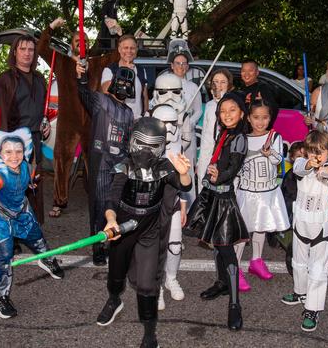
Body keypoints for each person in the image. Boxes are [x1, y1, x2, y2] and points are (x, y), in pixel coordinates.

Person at [96, 117, 192, 348]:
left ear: (161, 146)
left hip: (150, 228)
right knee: (116, 272)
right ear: (132, 141)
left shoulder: (165, 168)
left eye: (153, 145)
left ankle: (150, 333)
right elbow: (112, 196)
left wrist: (184, 173)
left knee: (149, 284)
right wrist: (111, 220)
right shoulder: (124, 167)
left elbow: (184, 186)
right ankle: (114, 299)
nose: (146, 151)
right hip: (123, 226)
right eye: (142, 144)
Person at [0, 128, 64, 319]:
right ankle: (0, 298)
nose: (14, 156)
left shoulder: (25, 166)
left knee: (37, 237)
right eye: (8, 152)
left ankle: (46, 259)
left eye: (18, 151)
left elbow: (29, 175)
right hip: (2, 217)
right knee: (6, 255)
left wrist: (32, 182)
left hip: (22, 210)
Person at [38, 18, 120, 218]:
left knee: (95, 163)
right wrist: (52, 27)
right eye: (76, 39)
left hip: (92, 121)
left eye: (84, 39)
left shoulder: (96, 63)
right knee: (61, 161)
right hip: (68, 121)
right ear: (71, 43)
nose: (80, 42)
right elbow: (41, 48)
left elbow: (119, 54)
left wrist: (116, 31)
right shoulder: (61, 62)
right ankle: (59, 201)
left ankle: (98, 201)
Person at [184, 92, 249, 331]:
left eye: (232, 110)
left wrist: (217, 175)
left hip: (223, 199)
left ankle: (235, 305)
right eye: (223, 111)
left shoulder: (239, 137)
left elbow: (233, 167)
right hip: (211, 194)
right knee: (214, 242)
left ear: (242, 113)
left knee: (226, 249)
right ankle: (222, 283)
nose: (227, 114)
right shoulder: (225, 133)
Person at [281, 130, 328, 332]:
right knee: (298, 262)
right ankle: (300, 292)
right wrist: (309, 164)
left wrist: (324, 170)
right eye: (311, 151)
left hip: (319, 231)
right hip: (300, 225)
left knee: (318, 270)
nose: (316, 155)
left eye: (320, 152)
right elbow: (300, 169)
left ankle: (312, 308)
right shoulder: (301, 163)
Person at [77, 60, 135, 265]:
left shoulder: (129, 113)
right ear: (114, 82)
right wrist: (82, 76)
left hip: (120, 163)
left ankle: (115, 243)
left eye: (128, 85)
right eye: (121, 82)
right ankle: (99, 248)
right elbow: (83, 93)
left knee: (117, 204)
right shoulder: (101, 101)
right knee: (99, 205)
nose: (124, 87)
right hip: (101, 161)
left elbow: (129, 140)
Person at [0, 35, 51, 226]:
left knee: (34, 182)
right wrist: (6, 147)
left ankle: (33, 227)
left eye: (31, 50)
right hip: (13, 141)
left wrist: (46, 123)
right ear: (15, 52)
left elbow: (42, 109)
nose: (27, 53)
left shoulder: (40, 79)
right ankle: (12, 233)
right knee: (13, 188)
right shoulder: (6, 79)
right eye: (23, 49)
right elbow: (0, 114)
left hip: (35, 140)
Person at [234, 98, 290, 291]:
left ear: (270, 118)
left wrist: (269, 154)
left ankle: (256, 260)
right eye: (256, 117)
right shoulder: (242, 138)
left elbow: (278, 160)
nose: (260, 122)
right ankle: (236, 267)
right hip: (247, 192)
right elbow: (237, 166)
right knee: (243, 231)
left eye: (264, 117)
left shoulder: (274, 137)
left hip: (267, 191)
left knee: (261, 227)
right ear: (249, 118)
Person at [148, 74, 192, 307]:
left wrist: (184, 201)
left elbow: (184, 173)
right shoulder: (144, 130)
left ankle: (171, 279)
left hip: (173, 199)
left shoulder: (179, 131)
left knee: (175, 243)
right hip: (152, 201)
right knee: (154, 244)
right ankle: (156, 286)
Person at [197, 69, 233, 191]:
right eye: (215, 82)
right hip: (206, 156)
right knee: (203, 190)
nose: (219, 85)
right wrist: (199, 161)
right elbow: (205, 134)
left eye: (223, 82)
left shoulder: (233, 105)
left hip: (223, 155)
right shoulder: (209, 105)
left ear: (229, 85)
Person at [101, 35, 148, 119]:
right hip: (117, 121)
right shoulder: (110, 70)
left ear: (136, 50)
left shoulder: (141, 70)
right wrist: (125, 73)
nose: (129, 51)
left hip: (137, 122)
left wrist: (146, 115)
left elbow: (144, 96)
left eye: (132, 48)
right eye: (125, 48)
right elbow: (106, 93)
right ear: (119, 49)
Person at [168, 52, 202, 164]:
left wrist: (189, 122)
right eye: (178, 63)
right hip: (169, 132)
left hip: (187, 133)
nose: (181, 66)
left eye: (184, 63)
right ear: (172, 65)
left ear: (187, 66)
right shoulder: (165, 84)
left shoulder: (193, 87)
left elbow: (198, 110)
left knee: (187, 165)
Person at [239, 59, 279, 126]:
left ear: (257, 72)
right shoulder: (242, 89)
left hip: (256, 132)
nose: (246, 74)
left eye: (250, 71)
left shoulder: (263, 88)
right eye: (243, 71)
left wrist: (261, 103)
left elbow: (274, 110)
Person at [281, 141, 305, 223]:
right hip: (291, 205)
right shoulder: (291, 174)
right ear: (292, 158)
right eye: (299, 156)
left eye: (305, 156)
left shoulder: (308, 172)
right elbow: (289, 195)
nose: (302, 159)